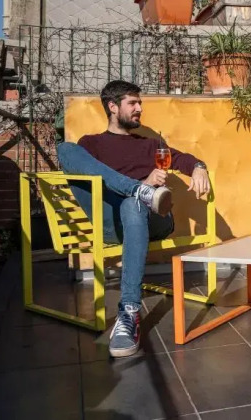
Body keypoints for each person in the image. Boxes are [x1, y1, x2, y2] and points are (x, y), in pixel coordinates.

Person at [56, 80, 210, 358]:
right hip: (111, 222)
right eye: (132, 103)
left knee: (132, 205)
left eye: (140, 103)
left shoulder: (151, 145)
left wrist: (199, 167)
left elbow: (182, 159)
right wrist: (142, 184)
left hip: (154, 219)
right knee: (65, 149)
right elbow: (83, 173)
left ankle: (129, 311)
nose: (139, 108)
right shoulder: (91, 144)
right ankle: (138, 190)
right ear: (113, 107)